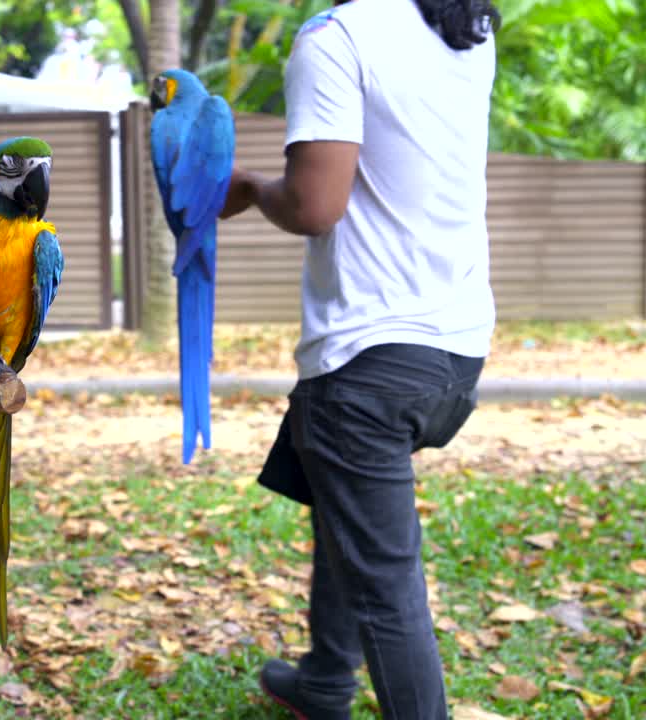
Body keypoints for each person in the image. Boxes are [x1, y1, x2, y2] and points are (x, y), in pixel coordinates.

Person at [218, 0, 501, 718]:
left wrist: (250, 188)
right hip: (455, 353)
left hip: (371, 359)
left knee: (386, 586)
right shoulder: (466, 28)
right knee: (336, 493)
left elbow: (316, 204)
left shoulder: (335, 39)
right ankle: (322, 683)